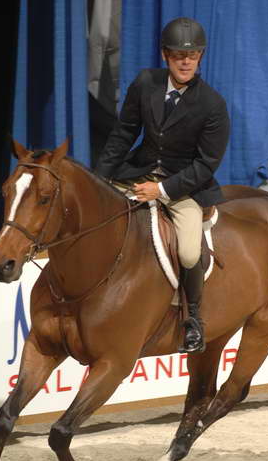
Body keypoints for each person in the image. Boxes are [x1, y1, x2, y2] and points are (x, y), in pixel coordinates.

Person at [95, 17, 230, 353]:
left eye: (193, 54)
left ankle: (193, 318)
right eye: (177, 54)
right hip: (137, 172)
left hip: (184, 186)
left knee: (187, 250)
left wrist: (162, 191)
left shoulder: (213, 105)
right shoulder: (145, 83)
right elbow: (124, 133)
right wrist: (100, 179)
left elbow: (206, 164)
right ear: (165, 56)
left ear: (200, 57)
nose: (185, 61)